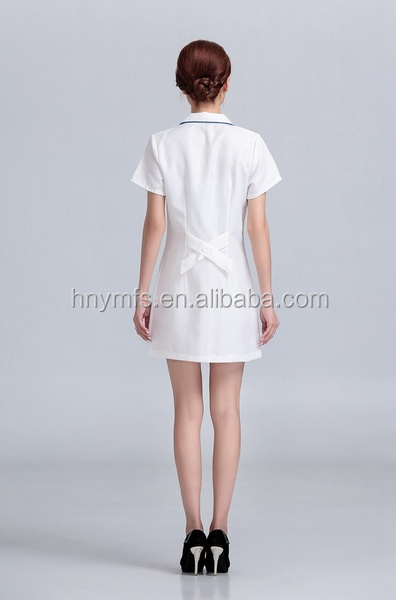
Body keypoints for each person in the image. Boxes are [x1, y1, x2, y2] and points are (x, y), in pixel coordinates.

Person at [131, 40, 282, 575]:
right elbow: (257, 227)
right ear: (226, 83)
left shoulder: (161, 144)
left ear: (181, 86)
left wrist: (143, 292)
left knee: (187, 412)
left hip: (178, 286)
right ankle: (221, 532)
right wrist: (267, 298)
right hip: (232, 288)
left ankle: (192, 531)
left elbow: (155, 223)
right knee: (227, 411)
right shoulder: (251, 144)